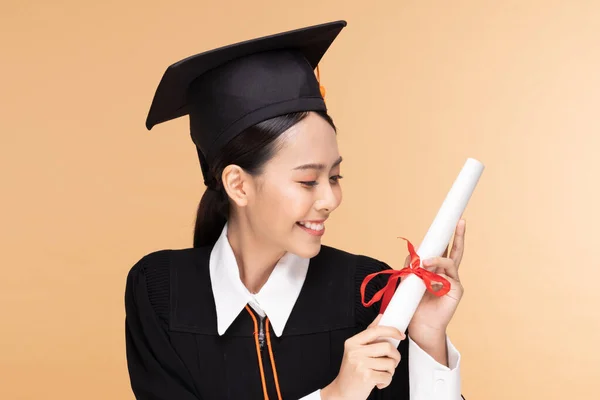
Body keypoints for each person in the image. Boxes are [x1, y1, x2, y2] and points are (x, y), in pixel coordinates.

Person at [125, 20, 466, 400]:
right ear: (238, 184)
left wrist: (428, 339)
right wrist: (337, 395)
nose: (330, 200)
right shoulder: (161, 292)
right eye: (308, 181)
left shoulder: (367, 292)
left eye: (335, 177)